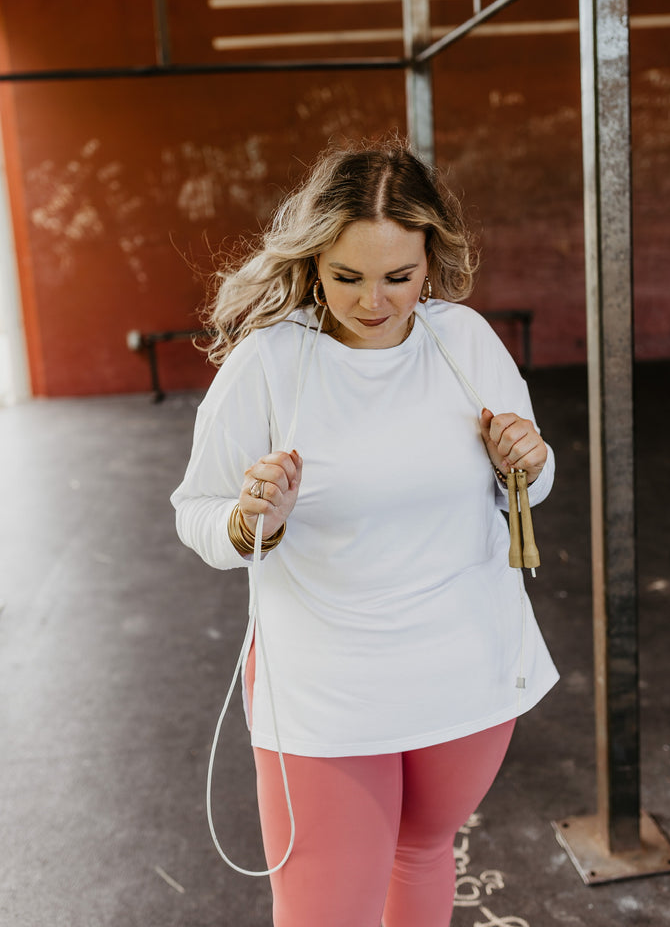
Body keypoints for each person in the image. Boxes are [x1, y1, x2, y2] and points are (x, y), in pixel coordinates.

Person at [171, 137, 558, 927]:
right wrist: (252, 522)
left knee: (421, 853)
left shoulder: (465, 342)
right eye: (347, 277)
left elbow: (529, 486)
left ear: (430, 261)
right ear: (313, 261)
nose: (372, 302)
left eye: (399, 278)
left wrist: (529, 459)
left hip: (466, 674)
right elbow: (197, 512)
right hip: (326, 691)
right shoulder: (269, 363)